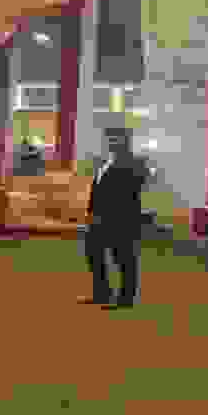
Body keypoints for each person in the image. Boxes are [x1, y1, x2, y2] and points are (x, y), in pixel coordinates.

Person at [79, 128, 151, 308]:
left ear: (126, 141)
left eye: (116, 139)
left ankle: (126, 299)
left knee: (124, 259)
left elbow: (135, 186)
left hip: (122, 219)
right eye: (110, 139)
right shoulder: (106, 161)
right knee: (94, 255)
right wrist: (91, 212)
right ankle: (102, 293)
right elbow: (97, 189)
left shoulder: (134, 162)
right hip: (99, 218)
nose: (112, 142)